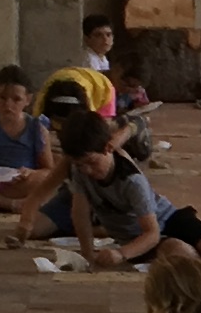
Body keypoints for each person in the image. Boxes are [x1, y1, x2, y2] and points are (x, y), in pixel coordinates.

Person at [35, 114, 167, 270]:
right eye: (80, 165)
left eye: (92, 162)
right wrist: (87, 255)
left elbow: (152, 233)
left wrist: (121, 253)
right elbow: (80, 214)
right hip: (127, 229)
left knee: (177, 251)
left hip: (162, 224)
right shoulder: (81, 169)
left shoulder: (132, 180)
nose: (87, 170)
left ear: (108, 148)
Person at [0, 65, 58, 223]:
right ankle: (12, 204)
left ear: (28, 99)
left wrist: (30, 173)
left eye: (16, 99)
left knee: (48, 182)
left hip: (23, 183)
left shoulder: (36, 128)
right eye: (2, 98)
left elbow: (48, 169)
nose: (8, 105)